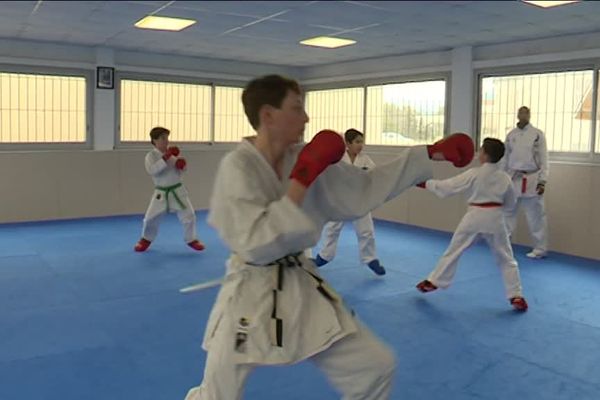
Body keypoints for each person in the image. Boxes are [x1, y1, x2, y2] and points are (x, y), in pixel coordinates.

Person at [184, 74, 474, 400]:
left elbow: (362, 187)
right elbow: (254, 244)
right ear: (268, 115)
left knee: (374, 367)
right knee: (217, 393)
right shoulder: (238, 168)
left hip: (299, 283)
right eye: (296, 108)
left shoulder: (301, 157)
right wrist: (301, 180)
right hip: (249, 292)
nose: (306, 117)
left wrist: (429, 153)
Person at [415, 138, 528, 312]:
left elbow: (449, 186)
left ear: (485, 154)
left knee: (453, 251)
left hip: (474, 217)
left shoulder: (474, 173)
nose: (479, 153)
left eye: (481, 150)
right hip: (496, 218)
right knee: (506, 258)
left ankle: (434, 281)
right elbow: (511, 203)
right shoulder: (505, 178)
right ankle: (516, 295)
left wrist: (425, 184)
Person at [314, 128, 385, 275]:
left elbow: (374, 176)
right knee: (332, 229)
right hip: (340, 200)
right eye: (357, 142)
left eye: (362, 142)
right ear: (348, 143)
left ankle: (370, 259)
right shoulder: (338, 159)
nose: (361, 145)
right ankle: (324, 256)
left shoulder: (365, 159)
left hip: (360, 200)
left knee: (366, 230)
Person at [133, 126, 205, 252]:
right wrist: (165, 157)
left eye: (167, 138)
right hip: (161, 193)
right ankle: (145, 239)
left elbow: (179, 173)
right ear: (154, 140)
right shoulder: (151, 156)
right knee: (151, 218)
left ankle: (191, 239)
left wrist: (181, 165)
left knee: (189, 215)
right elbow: (153, 171)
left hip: (177, 191)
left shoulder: (171, 155)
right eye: (163, 138)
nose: (166, 141)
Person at [501, 106, 549, 259]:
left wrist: (542, 181)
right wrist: (502, 179)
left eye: (526, 112)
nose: (523, 115)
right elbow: (505, 159)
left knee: (535, 216)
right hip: (513, 178)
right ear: (517, 115)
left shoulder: (537, 135)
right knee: (508, 213)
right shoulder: (511, 135)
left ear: (529, 115)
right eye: (521, 112)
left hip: (532, 179)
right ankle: (504, 246)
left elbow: (544, 160)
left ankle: (540, 249)